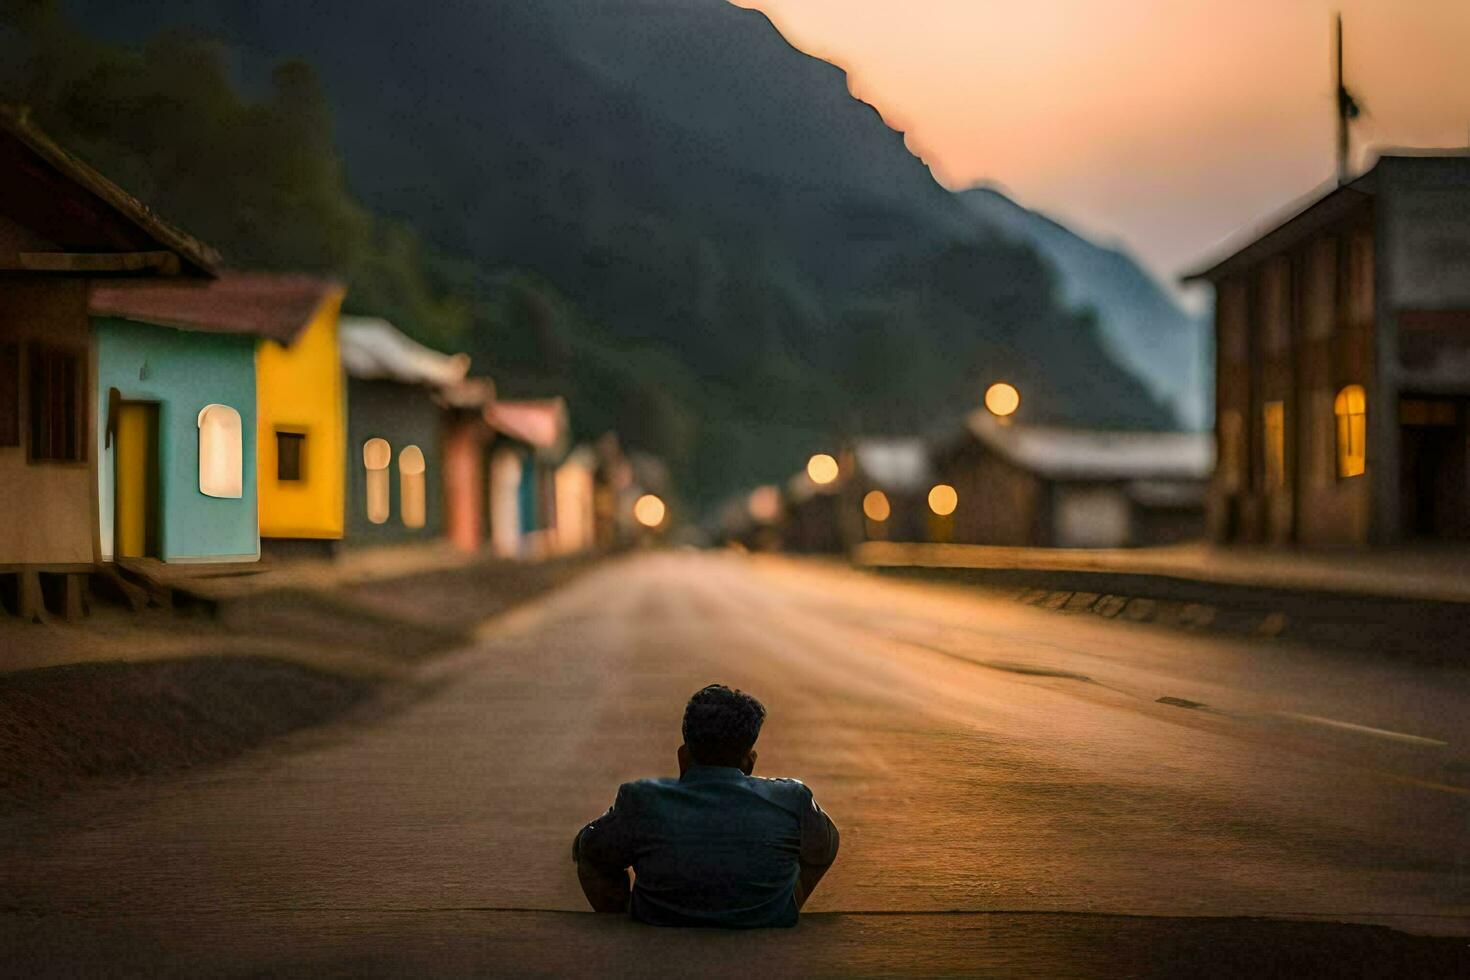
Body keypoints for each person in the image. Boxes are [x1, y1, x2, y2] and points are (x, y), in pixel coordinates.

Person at [572, 684, 840, 928]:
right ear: (749, 761)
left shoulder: (641, 799)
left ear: (683, 755)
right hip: (766, 916)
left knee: (591, 852)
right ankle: (777, 907)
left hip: (660, 918)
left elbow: (590, 848)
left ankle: (619, 922)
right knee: (807, 847)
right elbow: (826, 848)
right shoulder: (793, 797)